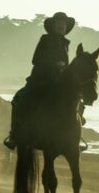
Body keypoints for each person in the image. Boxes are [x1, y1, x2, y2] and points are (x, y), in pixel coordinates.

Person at [4, 12, 76, 149]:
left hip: (59, 81)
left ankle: (73, 136)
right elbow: (35, 60)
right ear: (53, 26)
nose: (61, 26)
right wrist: (54, 65)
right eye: (58, 23)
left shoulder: (66, 43)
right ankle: (14, 135)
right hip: (41, 78)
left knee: (75, 99)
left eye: (63, 24)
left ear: (66, 27)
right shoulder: (45, 39)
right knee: (21, 99)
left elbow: (65, 64)